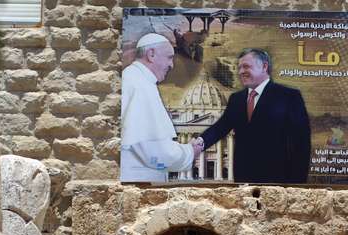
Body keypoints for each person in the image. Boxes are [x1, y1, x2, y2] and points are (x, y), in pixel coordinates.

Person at [196, 48, 310, 184]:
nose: (241, 72)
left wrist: (297, 184)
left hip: (278, 180)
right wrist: (199, 143)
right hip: (244, 180)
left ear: (264, 66)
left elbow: (301, 143)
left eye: (246, 66)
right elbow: (220, 128)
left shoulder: (288, 96)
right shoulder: (236, 99)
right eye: (239, 68)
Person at [121, 33, 203, 182]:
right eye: (169, 57)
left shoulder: (136, 79)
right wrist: (190, 151)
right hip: (138, 181)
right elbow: (155, 153)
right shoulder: (140, 85)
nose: (172, 65)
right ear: (151, 54)